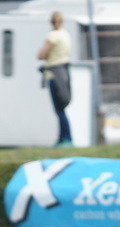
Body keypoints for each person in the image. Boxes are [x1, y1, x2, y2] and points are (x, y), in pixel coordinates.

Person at [38, 11, 73, 147]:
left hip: (54, 74)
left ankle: (65, 138)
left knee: (59, 110)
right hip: (64, 72)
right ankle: (63, 137)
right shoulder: (66, 35)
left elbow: (41, 55)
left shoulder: (52, 36)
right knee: (62, 107)